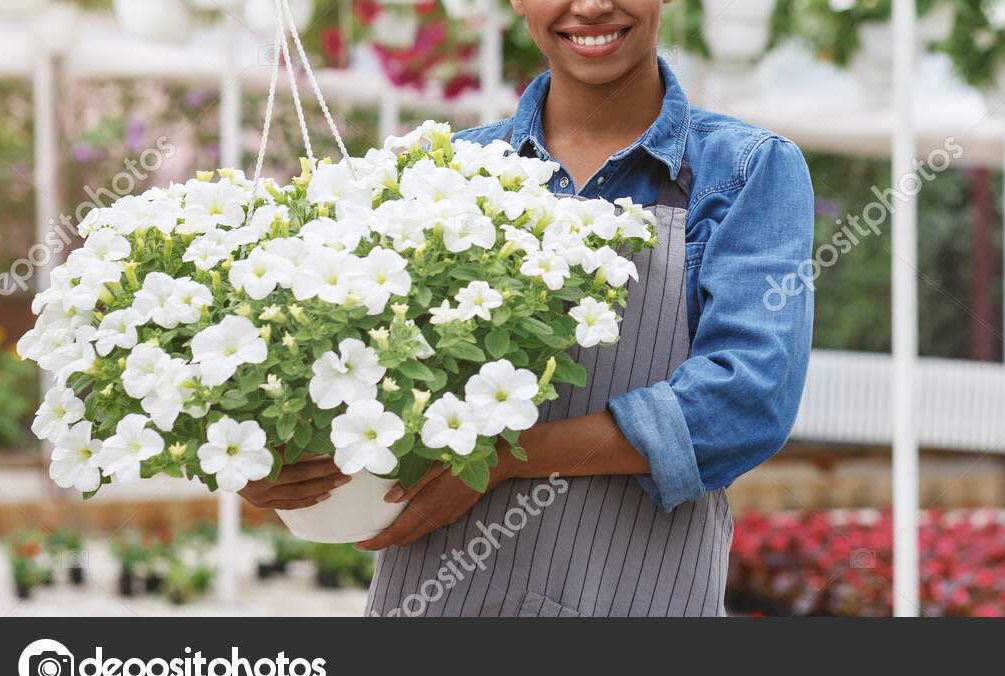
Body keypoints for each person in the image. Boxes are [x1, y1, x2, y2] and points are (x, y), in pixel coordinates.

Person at [239, 0, 814, 617]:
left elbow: (745, 400)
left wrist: (501, 461)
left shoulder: (745, 171)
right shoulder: (443, 169)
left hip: (635, 594)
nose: (591, 6)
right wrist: (269, 455)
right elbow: (361, 379)